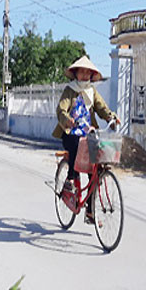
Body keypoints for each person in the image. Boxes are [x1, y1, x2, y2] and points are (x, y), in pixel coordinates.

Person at [52, 55, 119, 224]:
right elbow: (61, 110)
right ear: (75, 74)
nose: (84, 75)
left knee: (94, 170)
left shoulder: (92, 91)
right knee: (76, 144)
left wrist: (111, 118)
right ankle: (70, 180)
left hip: (88, 132)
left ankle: (90, 211)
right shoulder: (70, 90)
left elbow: (101, 107)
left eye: (88, 72)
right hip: (71, 133)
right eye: (81, 72)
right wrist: (67, 119)